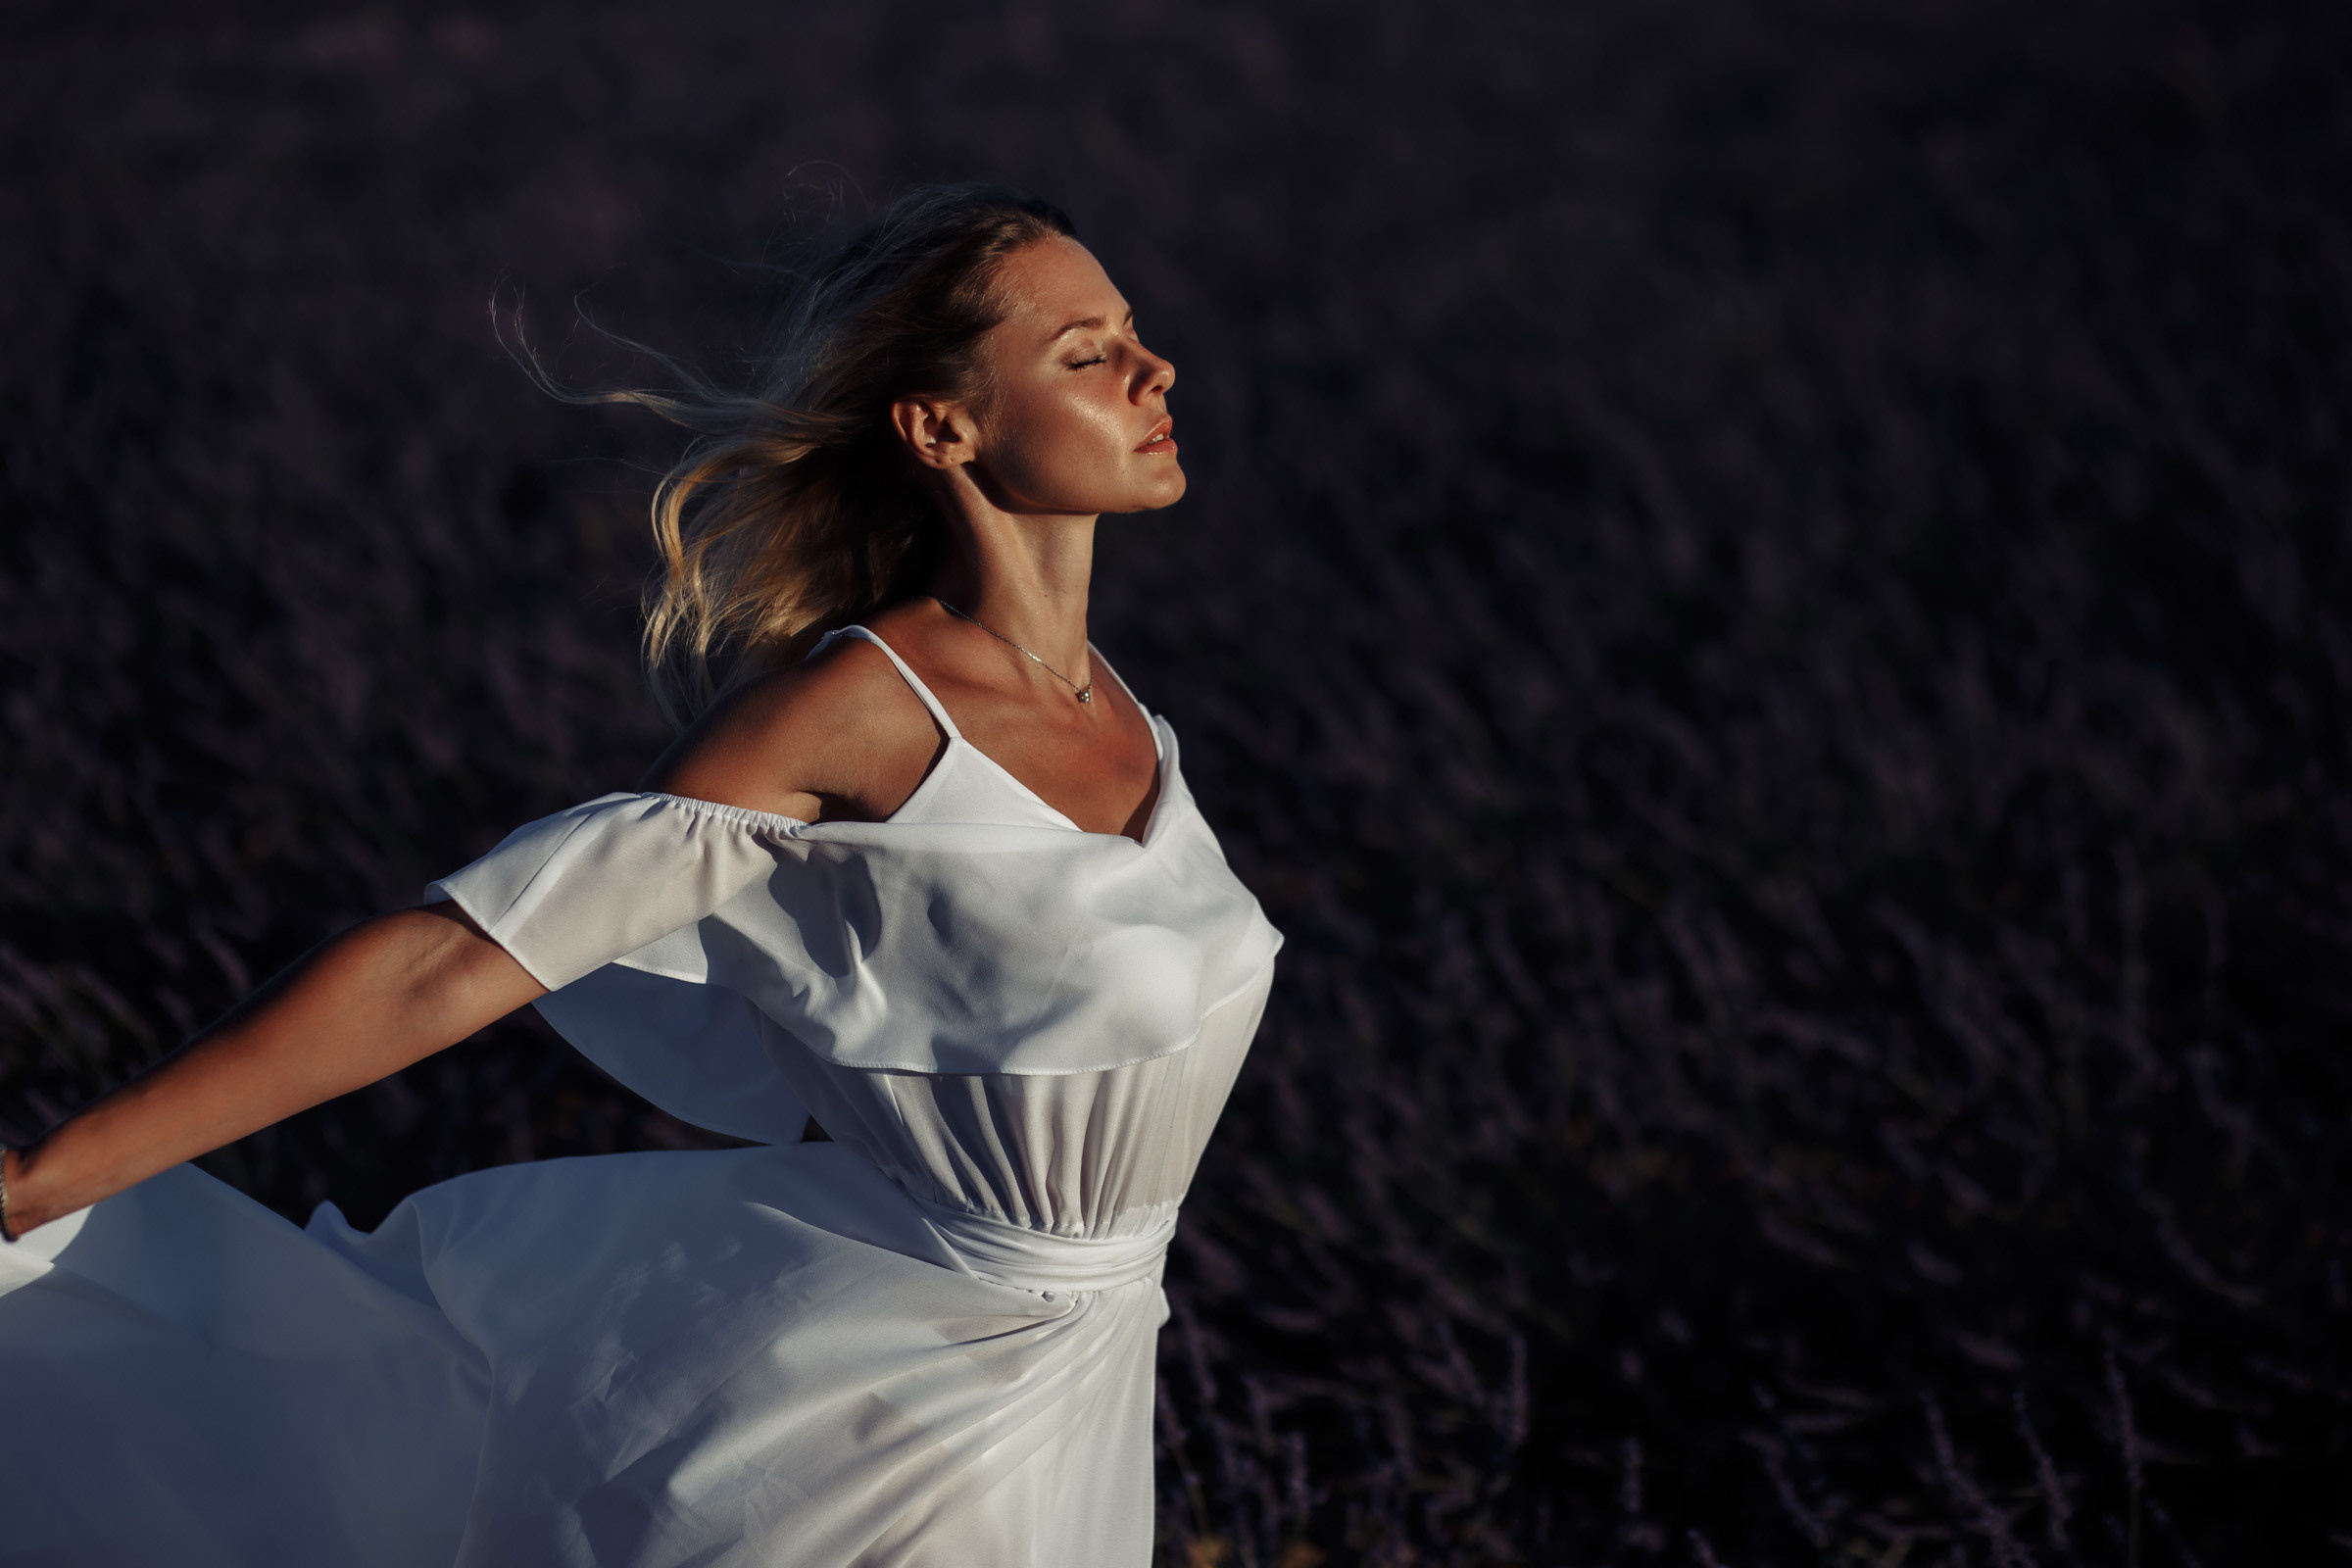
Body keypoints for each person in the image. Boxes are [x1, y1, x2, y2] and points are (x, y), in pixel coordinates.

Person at [0, 185, 1281, 1567]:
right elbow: (451, 961)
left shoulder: (1118, 709)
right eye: (1087, 353)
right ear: (939, 425)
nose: (1154, 372)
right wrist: (46, 1177)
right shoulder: (859, 712)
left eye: (1134, 333)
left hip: (1084, 1384)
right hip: (900, 1431)